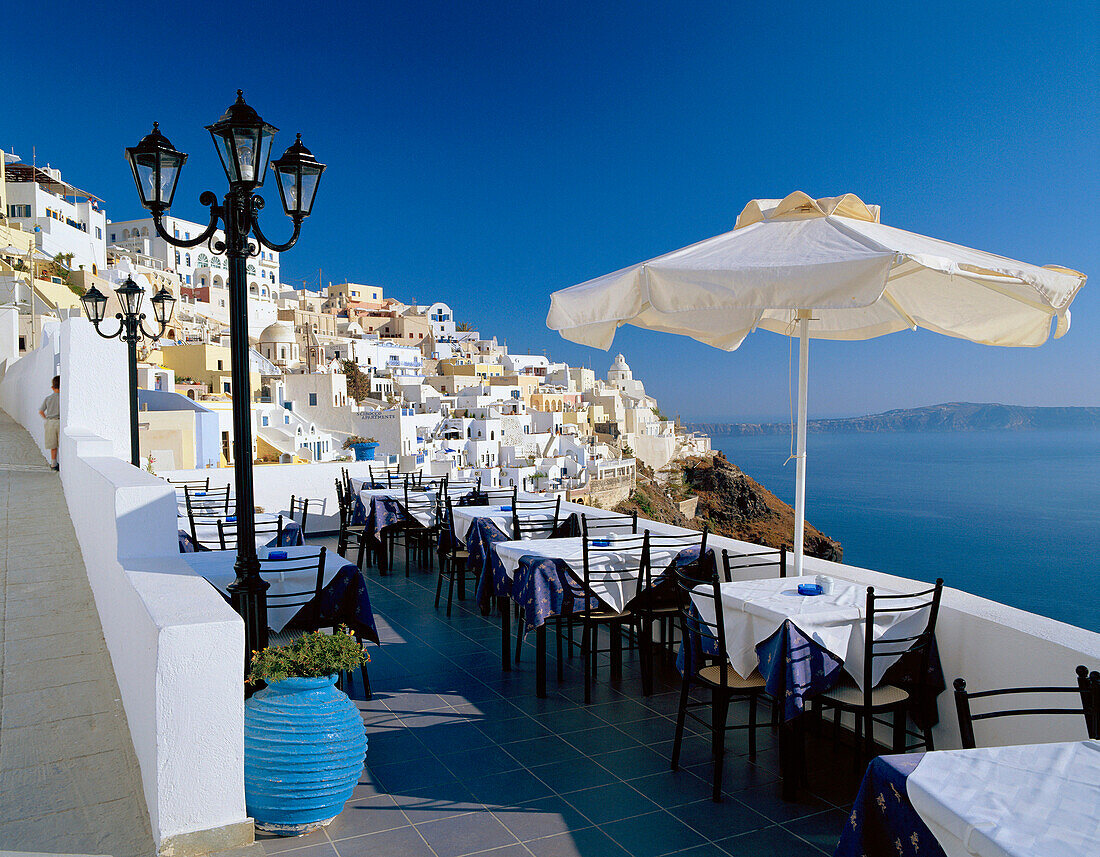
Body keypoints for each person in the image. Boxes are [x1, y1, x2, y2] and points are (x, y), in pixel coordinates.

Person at [39, 374, 60, 471]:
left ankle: (53, 464)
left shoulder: (48, 398)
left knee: (53, 445)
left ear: (52, 387)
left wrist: (46, 418)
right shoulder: (63, 398)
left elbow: (41, 411)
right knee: (61, 444)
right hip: (60, 422)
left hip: (50, 422)